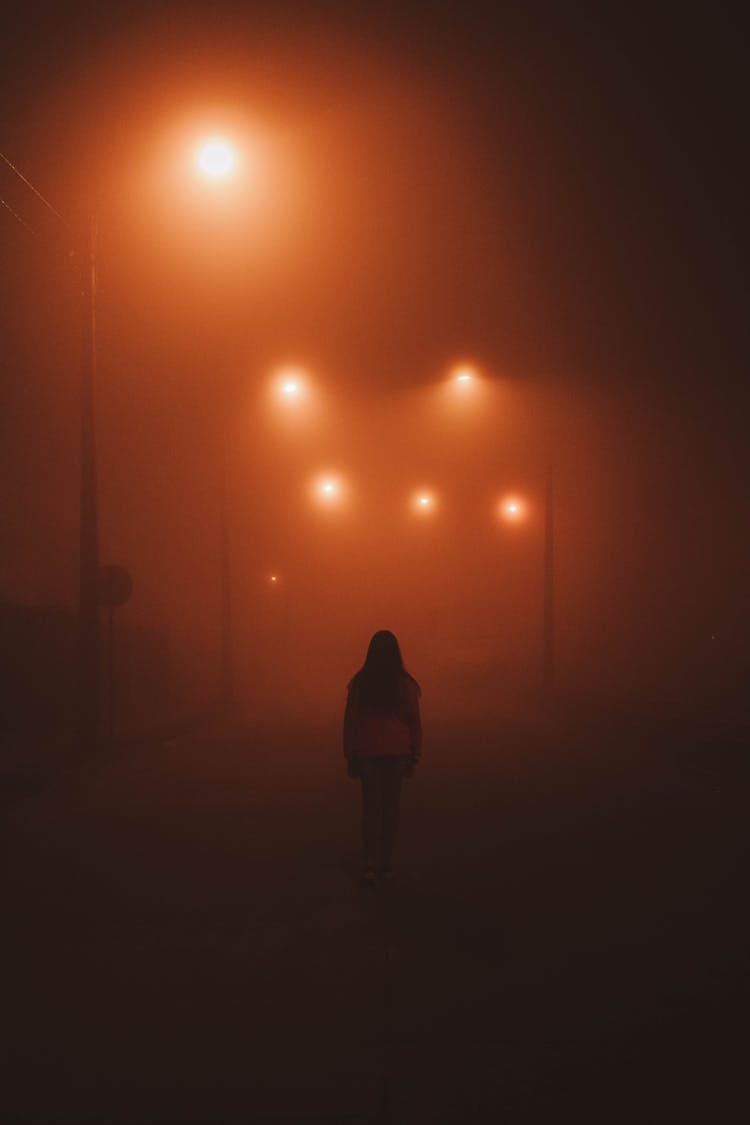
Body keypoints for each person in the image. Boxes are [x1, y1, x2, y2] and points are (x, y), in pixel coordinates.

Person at [343, 630, 422, 885]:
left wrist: (349, 753)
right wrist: (415, 754)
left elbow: (351, 720)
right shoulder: (406, 685)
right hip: (398, 752)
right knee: (391, 810)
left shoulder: (360, 683)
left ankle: (369, 862)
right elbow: (414, 722)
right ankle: (386, 864)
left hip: (368, 751)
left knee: (371, 809)